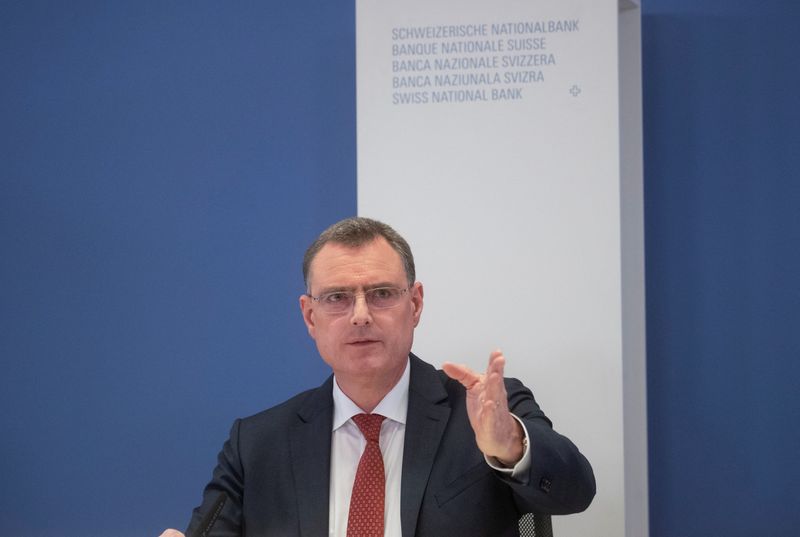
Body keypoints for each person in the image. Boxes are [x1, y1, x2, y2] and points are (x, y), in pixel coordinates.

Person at [159, 217, 594, 537]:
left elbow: (576, 492)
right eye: (337, 298)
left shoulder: (484, 414)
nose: (361, 316)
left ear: (416, 304)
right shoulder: (257, 445)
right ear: (310, 317)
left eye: (382, 294)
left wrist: (510, 447)